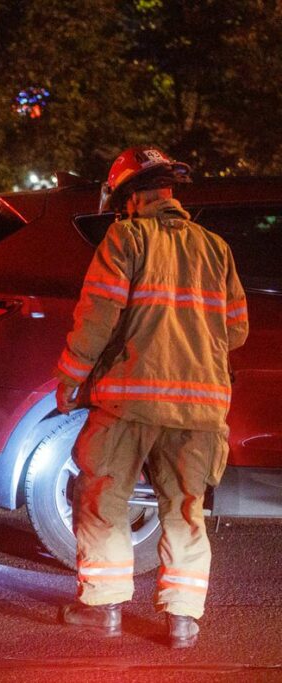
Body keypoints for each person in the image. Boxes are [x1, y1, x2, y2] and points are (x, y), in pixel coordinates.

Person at [55, 146, 248, 648]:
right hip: (202, 408)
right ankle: (183, 619)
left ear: (129, 198)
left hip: (129, 399)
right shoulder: (216, 247)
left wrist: (71, 377)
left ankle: (103, 606)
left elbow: (98, 316)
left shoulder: (127, 237)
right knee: (185, 508)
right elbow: (237, 330)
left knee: (103, 495)